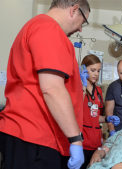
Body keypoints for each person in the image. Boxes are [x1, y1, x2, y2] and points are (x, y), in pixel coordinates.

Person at [0, 0, 90, 169]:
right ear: (74, 10)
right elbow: (52, 89)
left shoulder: (37, 27)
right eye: (83, 22)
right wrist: (76, 139)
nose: (80, 29)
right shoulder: (49, 29)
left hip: (29, 136)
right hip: (35, 137)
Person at [78, 54, 120, 169]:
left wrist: (106, 118)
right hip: (81, 142)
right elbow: (75, 109)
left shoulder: (99, 91)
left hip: (96, 142)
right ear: (83, 70)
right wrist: (81, 87)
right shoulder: (77, 87)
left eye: (98, 71)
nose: (96, 74)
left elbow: (95, 116)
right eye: (92, 70)